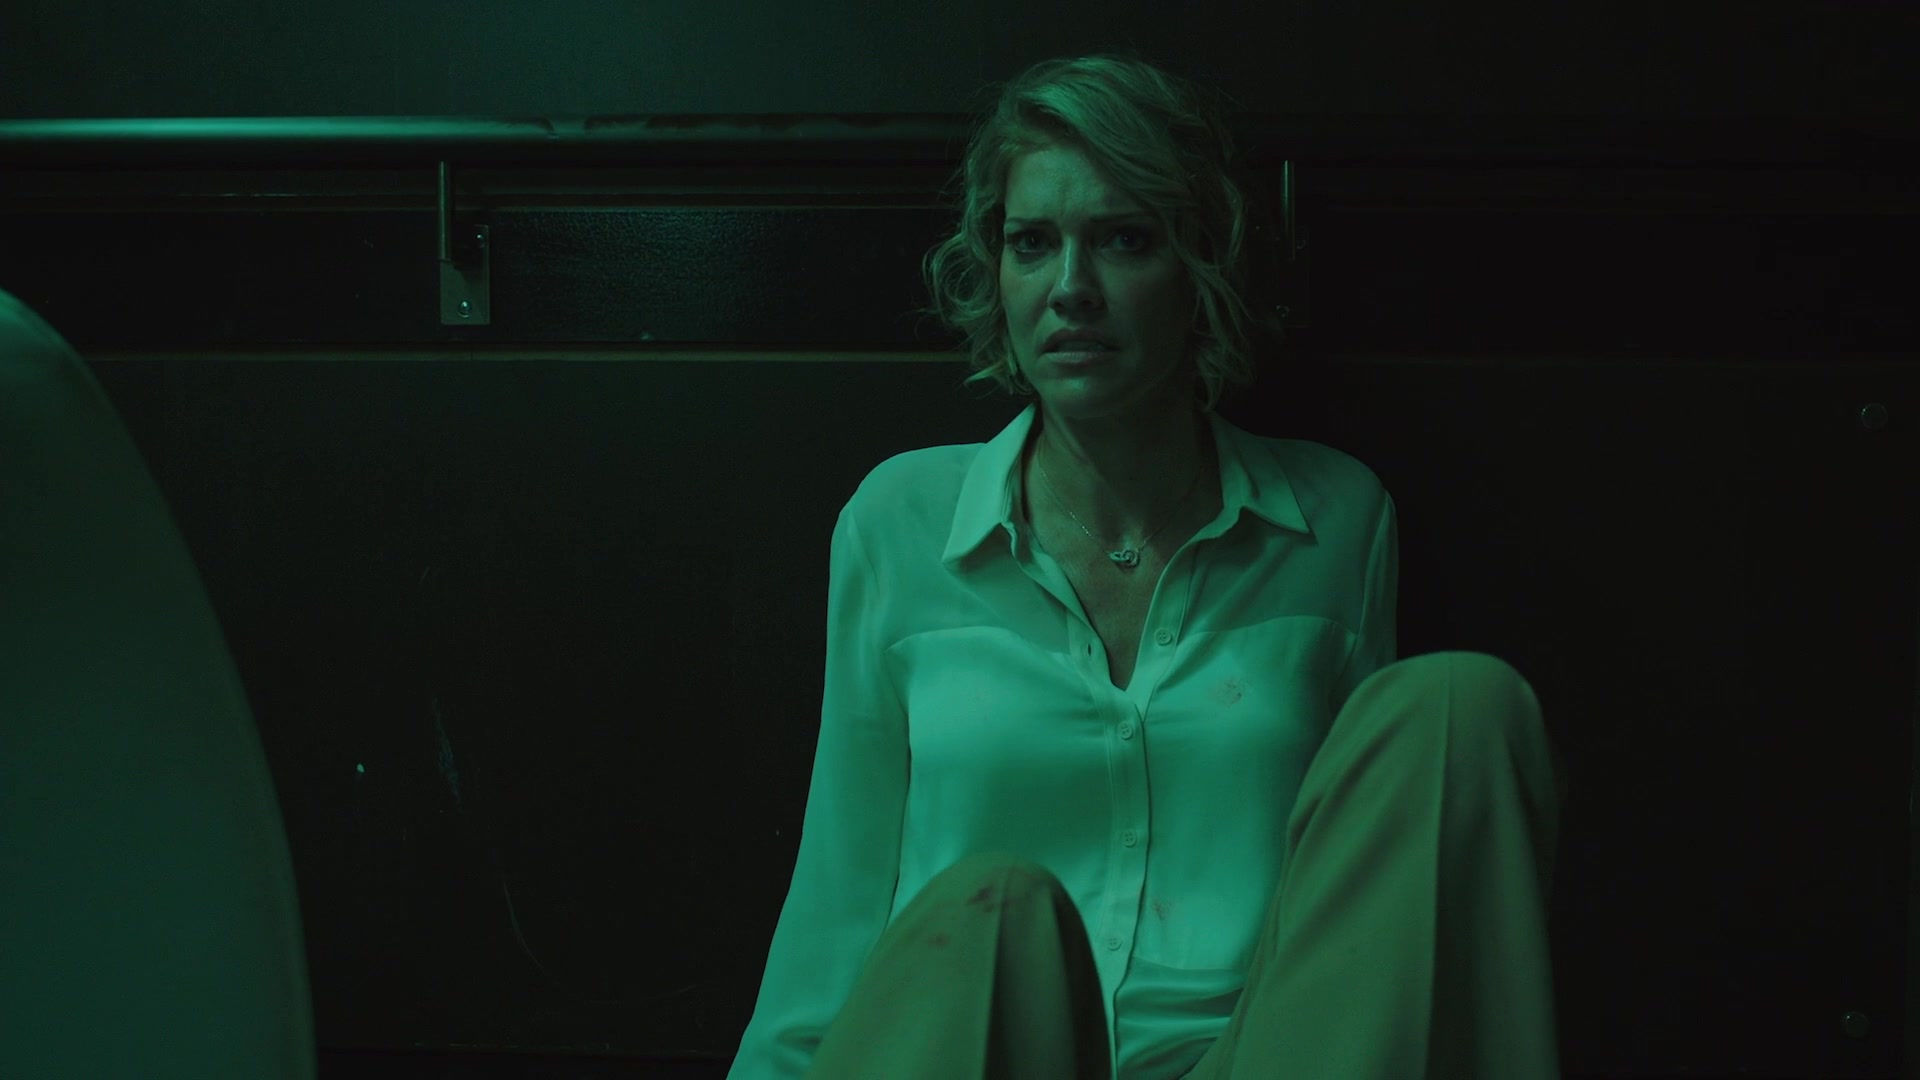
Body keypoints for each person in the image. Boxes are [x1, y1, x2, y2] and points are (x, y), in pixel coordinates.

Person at [727, 49, 1565, 1080]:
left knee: (1461, 704)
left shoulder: (1335, 520)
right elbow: (838, 894)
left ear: (1198, 265)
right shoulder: (900, 521)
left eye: (1123, 239)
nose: (1070, 290)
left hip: (1252, 1057)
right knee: (998, 911)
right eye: (1033, 244)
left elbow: (1368, 903)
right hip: (985, 1051)